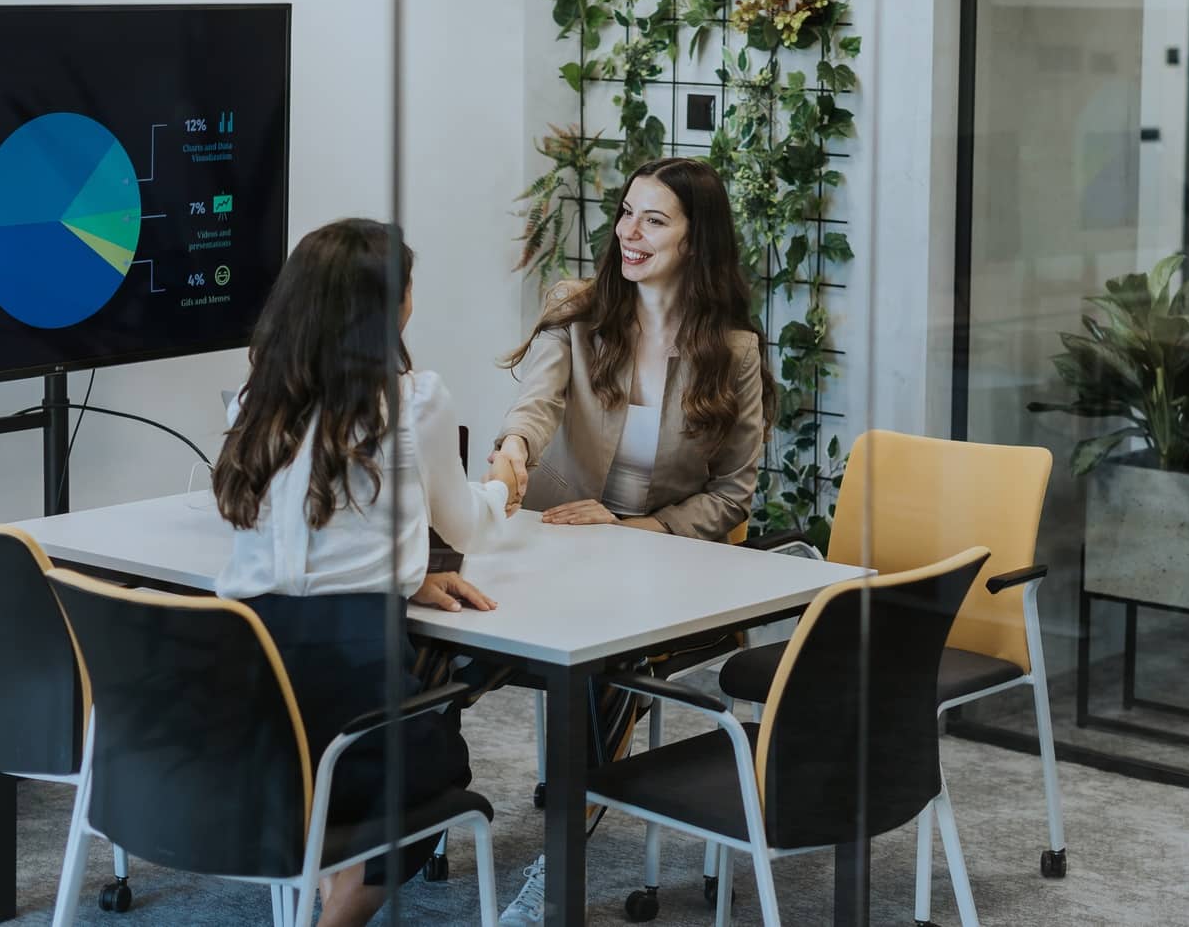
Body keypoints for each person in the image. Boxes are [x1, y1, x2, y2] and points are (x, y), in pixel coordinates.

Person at [486, 157, 775, 925]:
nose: (629, 233)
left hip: (663, 570)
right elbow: (535, 406)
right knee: (440, 637)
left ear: (696, 239)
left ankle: (553, 874)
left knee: (603, 671)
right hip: (552, 548)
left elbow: (733, 493)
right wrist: (512, 454)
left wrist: (637, 526)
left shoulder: (734, 351)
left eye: (654, 219)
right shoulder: (576, 311)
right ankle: (402, 826)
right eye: (625, 213)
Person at [213, 218, 510, 927]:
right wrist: (503, 480)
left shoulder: (255, 404)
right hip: (350, 702)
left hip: (239, 716)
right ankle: (337, 916)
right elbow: (463, 524)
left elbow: (307, 547)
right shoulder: (414, 399)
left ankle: (328, 879)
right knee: (440, 761)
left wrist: (402, 580)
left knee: (367, 759)